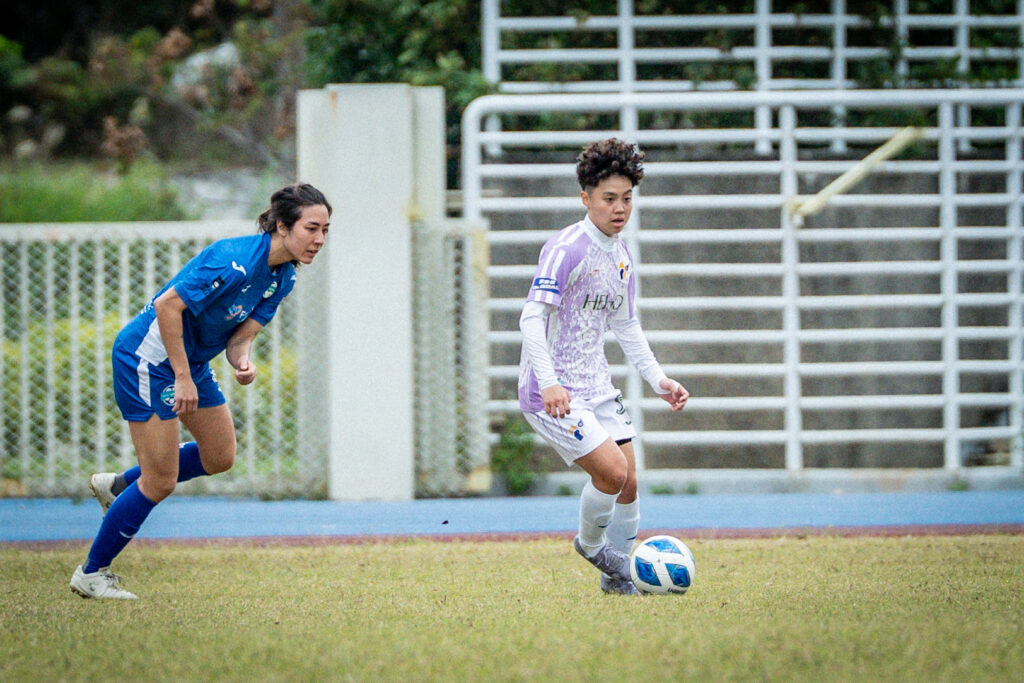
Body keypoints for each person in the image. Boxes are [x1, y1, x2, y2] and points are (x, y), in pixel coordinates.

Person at [70, 183, 332, 599]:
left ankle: (120, 487)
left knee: (219, 455)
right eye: (311, 228)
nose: (319, 239)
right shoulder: (233, 260)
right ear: (282, 226)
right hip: (147, 359)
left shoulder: (281, 280)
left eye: (325, 230)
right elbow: (167, 306)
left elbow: (237, 341)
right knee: (160, 481)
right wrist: (182, 376)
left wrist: (242, 362)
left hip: (186, 364)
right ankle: (91, 573)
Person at [518, 138, 689, 595]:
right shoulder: (565, 248)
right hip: (552, 395)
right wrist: (550, 383)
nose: (620, 208)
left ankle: (619, 582)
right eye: (609, 198)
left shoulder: (620, 256)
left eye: (627, 198)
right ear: (586, 198)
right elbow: (530, 318)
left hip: (597, 386)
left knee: (630, 483)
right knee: (610, 473)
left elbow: (627, 325)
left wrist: (659, 379)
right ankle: (593, 547)